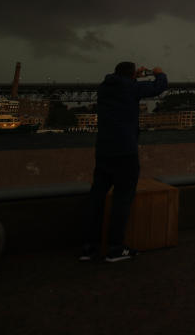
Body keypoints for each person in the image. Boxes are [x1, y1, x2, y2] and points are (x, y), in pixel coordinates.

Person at [80, 62, 168, 262]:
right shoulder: (131, 87)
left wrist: (132, 77)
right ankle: (115, 248)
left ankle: (89, 248)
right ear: (131, 76)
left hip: (103, 150)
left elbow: (123, 83)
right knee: (122, 199)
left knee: (96, 198)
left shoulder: (104, 88)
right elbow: (158, 87)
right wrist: (159, 74)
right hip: (125, 151)